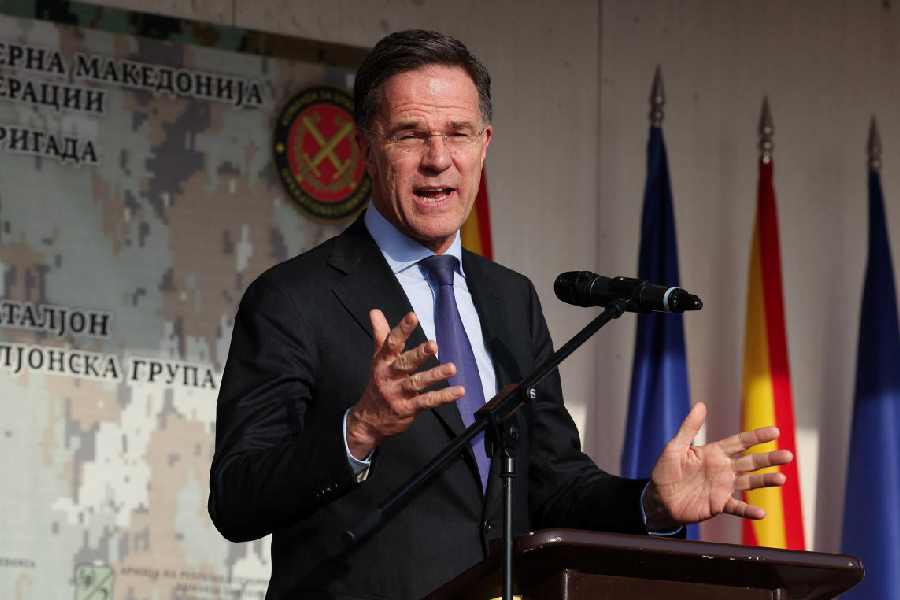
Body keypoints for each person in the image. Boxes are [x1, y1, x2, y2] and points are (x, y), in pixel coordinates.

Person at [209, 29, 792, 600]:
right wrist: (357, 430)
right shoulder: (293, 298)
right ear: (365, 149)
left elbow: (555, 482)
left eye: (458, 133)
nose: (439, 159)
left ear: (484, 144)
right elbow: (236, 499)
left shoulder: (510, 299)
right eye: (411, 135)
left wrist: (651, 503)